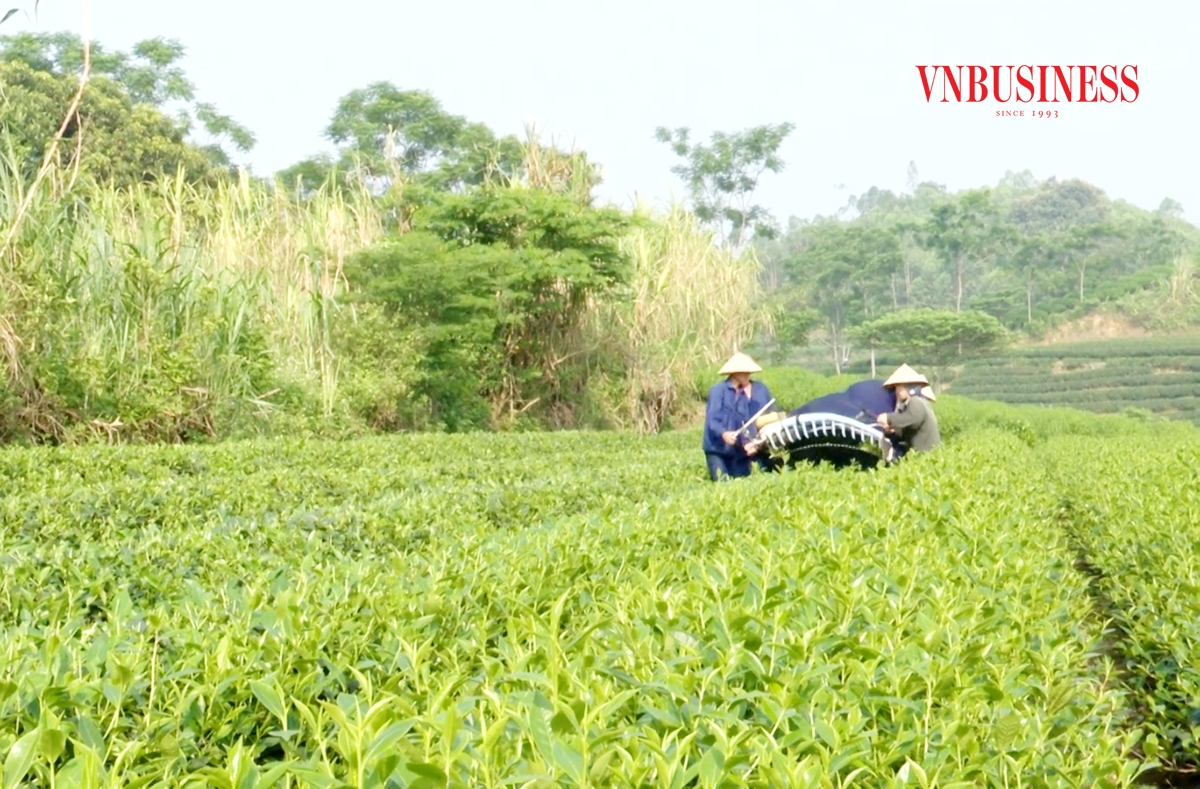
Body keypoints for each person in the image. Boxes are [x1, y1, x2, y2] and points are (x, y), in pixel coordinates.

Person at [703, 352, 778, 481]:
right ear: (734, 373)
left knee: (748, 483)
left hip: (745, 450)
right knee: (722, 484)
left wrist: (756, 443)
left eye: (748, 371)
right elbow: (712, 419)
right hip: (718, 450)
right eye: (743, 372)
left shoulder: (759, 390)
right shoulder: (718, 391)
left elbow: (767, 418)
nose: (747, 374)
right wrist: (724, 433)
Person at [876, 364, 941, 453]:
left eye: (899, 386)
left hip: (926, 454)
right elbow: (908, 430)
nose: (896, 391)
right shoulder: (913, 403)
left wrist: (888, 417)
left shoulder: (916, 402)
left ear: (909, 387)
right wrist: (891, 432)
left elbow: (912, 418)